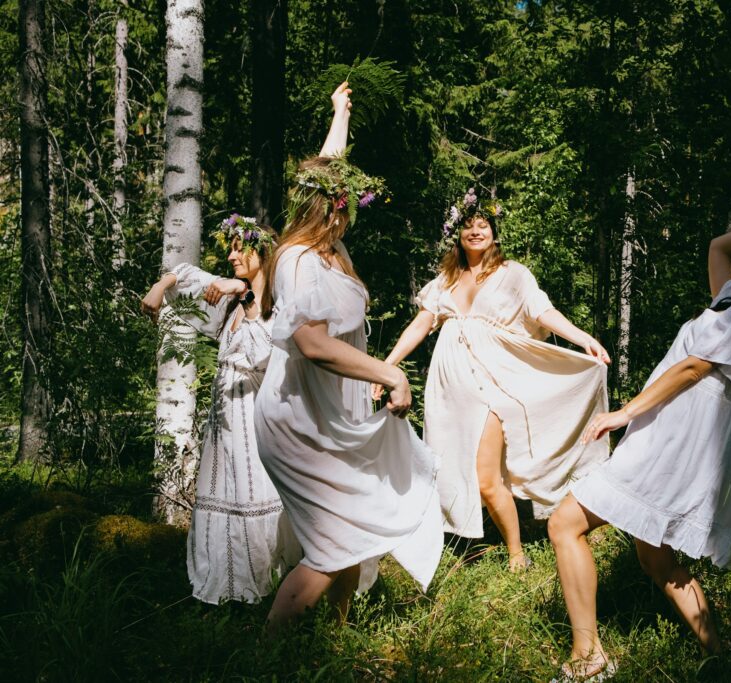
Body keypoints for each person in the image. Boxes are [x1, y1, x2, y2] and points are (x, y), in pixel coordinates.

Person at [547, 186, 731, 680]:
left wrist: (621, 413)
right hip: (674, 441)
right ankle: (720, 659)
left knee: (564, 524)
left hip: (675, 447)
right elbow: (720, 247)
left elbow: (694, 369)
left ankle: (587, 656)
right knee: (656, 558)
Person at [253, 82, 442, 632]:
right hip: (296, 420)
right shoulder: (298, 261)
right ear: (325, 210)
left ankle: (333, 646)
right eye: (342, 206)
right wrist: (387, 371)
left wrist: (340, 114)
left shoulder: (330, 248)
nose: (350, 213)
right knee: (332, 546)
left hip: (330, 414)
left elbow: (329, 165)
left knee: (352, 533)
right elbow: (312, 345)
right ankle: (265, 657)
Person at [376, 189, 611, 571]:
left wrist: (583, 338)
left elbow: (543, 311)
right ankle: (455, 535)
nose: (475, 231)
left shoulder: (513, 274)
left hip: (494, 379)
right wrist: (387, 365)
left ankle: (517, 554)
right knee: (453, 462)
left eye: (482, 224)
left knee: (486, 478)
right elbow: (421, 324)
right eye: (468, 225)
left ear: (494, 232)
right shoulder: (446, 279)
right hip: (450, 387)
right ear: (457, 235)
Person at [141, 216, 301, 604]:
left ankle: (263, 586)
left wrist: (245, 296)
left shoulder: (278, 306)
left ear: (261, 251)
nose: (230, 255)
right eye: (228, 247)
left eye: (238, 247)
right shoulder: (228, 299)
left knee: (253, 494)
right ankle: (223, 584)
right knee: (221, 490)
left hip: (257, 417)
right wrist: (159, 288)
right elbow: (185, 275)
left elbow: (266, 356)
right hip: (224, 419)